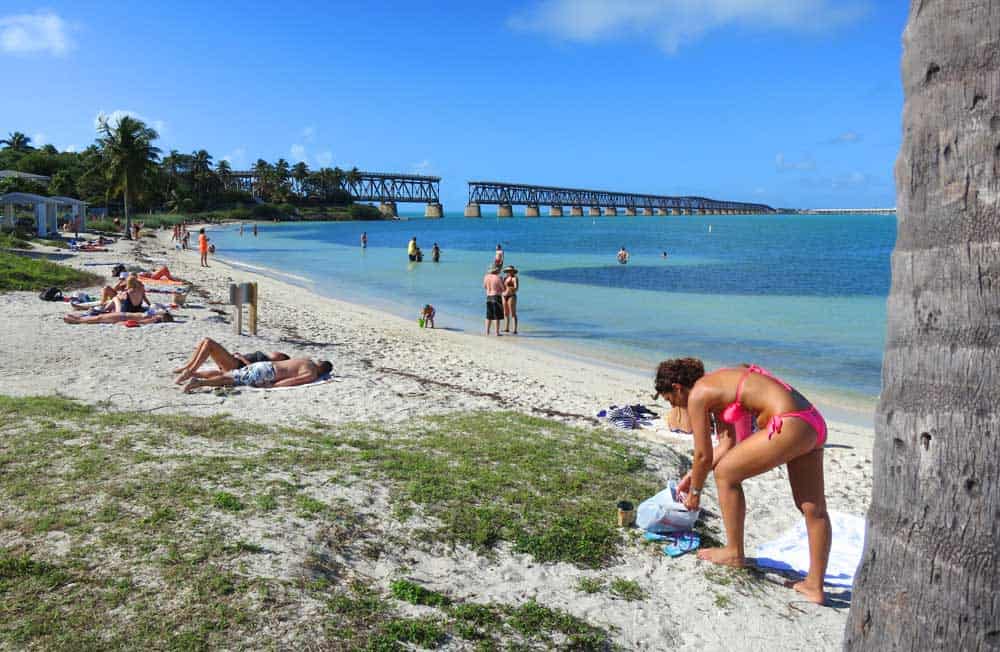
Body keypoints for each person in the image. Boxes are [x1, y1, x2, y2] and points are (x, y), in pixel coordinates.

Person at [654, 358, 830, 604]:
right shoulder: (718, 385)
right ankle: (814, 586)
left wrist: (695, 493)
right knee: (813, 508)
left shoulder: (698, 395)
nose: (675, 406)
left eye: (670, 400)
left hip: (788, 422)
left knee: (726, 474)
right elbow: (726, 444)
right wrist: (692, 477)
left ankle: (734, 551)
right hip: (812, 421)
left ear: (678, 388)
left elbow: (703, 455)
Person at [173, 338, 290, 384]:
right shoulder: (268, 360)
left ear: (281, 360)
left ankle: (189, 370)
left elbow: (254, 369)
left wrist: (242, 358)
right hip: (233, 363)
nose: (277, 353)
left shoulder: (268, 365)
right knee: (205, 342)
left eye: (280, 355)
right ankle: (188, 368)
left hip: (235, 365)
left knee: (209, 343)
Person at [182, 358, 332, 393]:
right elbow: (293, 381)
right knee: (232, 379)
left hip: (265, 364)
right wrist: (274, 386)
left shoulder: (306, 360)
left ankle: (194, 374)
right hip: (268, 373)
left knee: (233, 374)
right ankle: (199, 382)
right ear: (323, 371)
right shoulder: (311, 373)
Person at [483, 264, 505, 336]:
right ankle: (497, 332)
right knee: (497, 316)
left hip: (488, 296)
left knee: (488, 315)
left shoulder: (486, 277)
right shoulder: (498, 277)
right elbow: (503, 289)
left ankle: (487, 331)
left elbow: (485, 286)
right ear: (496, 270)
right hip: (496, 296)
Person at [64, 311, 173, 325]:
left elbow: (142, 322)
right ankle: (76, 319)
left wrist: (123, 323)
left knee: (99, 318)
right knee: (99, 317)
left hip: (122, 316)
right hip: (122, 315)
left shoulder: (154, 318)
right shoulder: (154, 316)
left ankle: (76, 320)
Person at [502, 265, 519, 334]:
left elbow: (516, 288)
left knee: (513, 313)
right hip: (504, 296)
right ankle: (506, 328)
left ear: (513, 271)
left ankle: (515, 330)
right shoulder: (505, 278)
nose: (509, 272)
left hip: (511, 296)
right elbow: (502, 287)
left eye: (510, 271)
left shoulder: (515, 278)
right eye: (508, 271)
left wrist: (510, 288)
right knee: (505, 313)